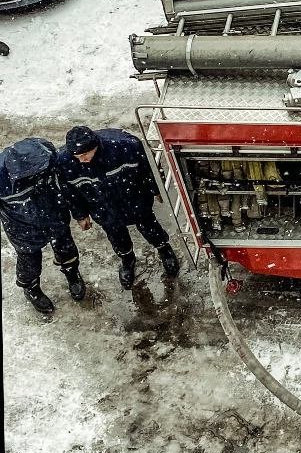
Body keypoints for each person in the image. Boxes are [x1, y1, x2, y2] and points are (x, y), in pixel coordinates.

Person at [56, 126, 180, 290]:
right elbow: (70, 192)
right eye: (77, 156)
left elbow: (148, 169)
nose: (81, 160)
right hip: (102, 208)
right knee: (116, 236)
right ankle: (127, 260)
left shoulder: (126, 146)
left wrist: (155, 190)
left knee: (150, 227)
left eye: (84, 154)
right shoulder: (65, 162)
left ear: (95, 147)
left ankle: (165, 250)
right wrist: (81, 215)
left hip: (135, 199)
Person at [0, 138, 86, 313]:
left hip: (55, 217)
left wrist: (79, 213)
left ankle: (72, 274)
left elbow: (67, 187)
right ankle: (31, 288)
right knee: (29, 261)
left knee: (66, 249)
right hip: (21, 227)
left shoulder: (48, 156)